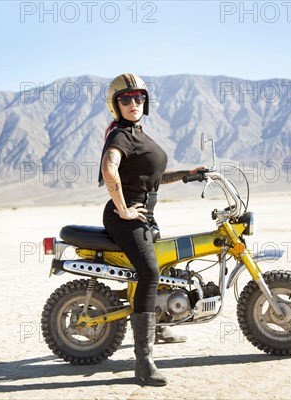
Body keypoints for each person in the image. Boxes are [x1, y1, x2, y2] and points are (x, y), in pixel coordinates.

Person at [98, 73, 204, 386]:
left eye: (139, 97)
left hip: (143, 216)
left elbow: (153, 177)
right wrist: (123, 209)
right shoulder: (120, 134)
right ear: (115, 105)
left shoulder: (138, 133)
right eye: (126, 99)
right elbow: (109, 169)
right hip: (125, 218)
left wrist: (190, 173)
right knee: (149, 272)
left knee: (165, 261)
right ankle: (143, 363)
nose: (134, 103)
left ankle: (158, 325)